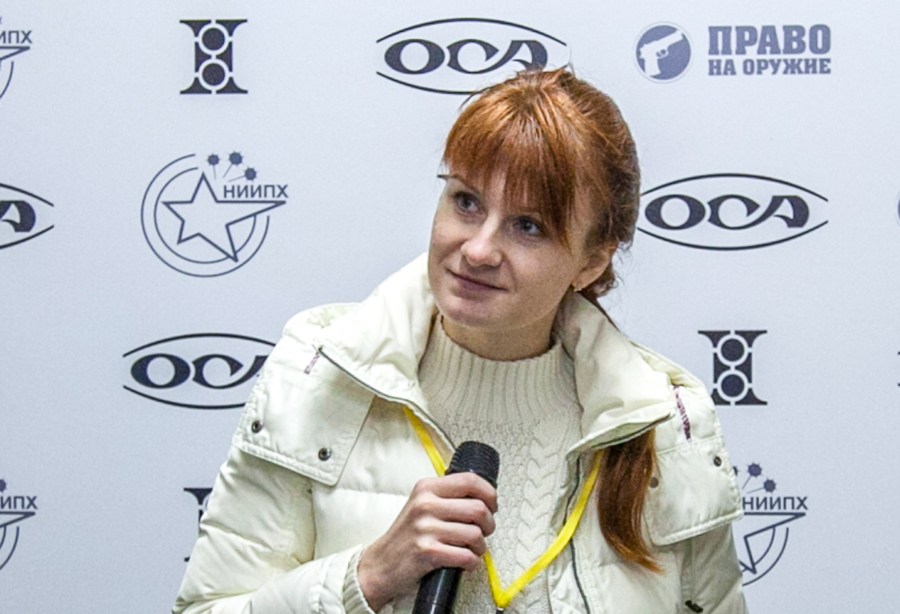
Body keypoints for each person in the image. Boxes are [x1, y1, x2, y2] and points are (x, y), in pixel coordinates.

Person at [174, 68, 747, 614]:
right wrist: (368, 577)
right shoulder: (316, 379)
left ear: (592, 262)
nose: (477, 249)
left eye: (528, 226)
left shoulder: (665, 427)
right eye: (466, 202)